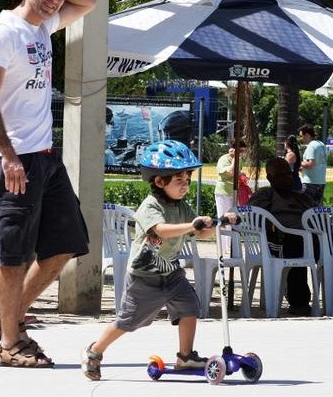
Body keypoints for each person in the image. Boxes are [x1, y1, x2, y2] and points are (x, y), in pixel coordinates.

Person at [0, 0, 97, 367]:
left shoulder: (43, 26)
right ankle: (11, 344)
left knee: (66, 245)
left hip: (46, 156)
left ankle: (5, 320)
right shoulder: (3, 33)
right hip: (14, 159)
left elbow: (89, 2)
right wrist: (7, 156)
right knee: (13, 258)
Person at [81, 140, 238, 381]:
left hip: (171, 273)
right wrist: (192, 225)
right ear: (159, 181)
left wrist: (219, 222)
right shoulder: (150, 206)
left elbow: (201, 232)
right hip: (144, 276)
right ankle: (94, 352)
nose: (184, 186)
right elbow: (161, 230)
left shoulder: (182, 207)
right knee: (128, 321)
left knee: (189, 307)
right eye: (179, 181)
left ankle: (185, 357)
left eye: (187, 180)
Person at [248, 158, 317, 316]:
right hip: (279, 241)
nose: (288, 177)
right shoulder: (266, 194)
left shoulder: (301, 196)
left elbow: (319, 215)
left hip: (313, 238)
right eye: (282, 174)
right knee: (296, 242)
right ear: (270, 178)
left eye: (289, 173)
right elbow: (254, 217)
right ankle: (299, 302)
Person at [214, 138, 246, 217]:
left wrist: (241, 174)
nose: (242, 154)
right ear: (233, 150)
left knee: (237, 217)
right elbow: (230, 172)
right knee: (225, 218)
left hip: (234, 192)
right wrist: (235, 158)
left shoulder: (239, 159)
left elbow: (236, 172)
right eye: (241, 151)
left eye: (243, 151)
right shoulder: (223, 159)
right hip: (223, 192)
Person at [298, 124, 327, 206]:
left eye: (301, 136)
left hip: (310, 183)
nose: (301, 139)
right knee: (316, 209)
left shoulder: (311, 146)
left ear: (307, 135)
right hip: (320, 181)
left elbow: (311, 164)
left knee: (306, 207)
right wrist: (302, 168)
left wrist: (298, 163)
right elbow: (317, 163)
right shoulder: (321, 144)